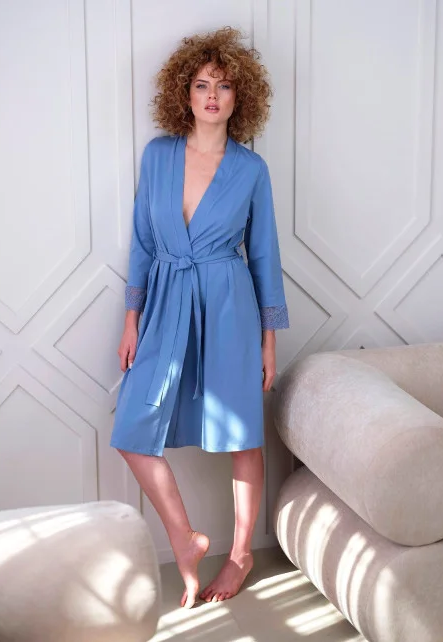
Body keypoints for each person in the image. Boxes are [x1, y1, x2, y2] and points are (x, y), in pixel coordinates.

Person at [110, 26, 289, 609]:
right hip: (166, 301)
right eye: (202, 85)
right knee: (132, 428)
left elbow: (264, 255)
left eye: (225, 86)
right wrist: (132, 318)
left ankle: (239, 555)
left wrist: (268, 340)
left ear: (241, 97)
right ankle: (184, 540)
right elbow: (143, 241)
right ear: (183, 93)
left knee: (242, 432)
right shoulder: (158, 155)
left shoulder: (251, 170)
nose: (213, 96)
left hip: (229, 304)